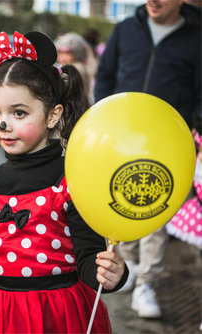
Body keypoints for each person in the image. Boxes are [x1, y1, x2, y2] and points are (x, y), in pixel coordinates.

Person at [0, 31, 128, 333]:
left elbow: (88, 257)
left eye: (19, 113)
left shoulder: (71, 180)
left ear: (53, 115)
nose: (3, 124)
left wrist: (111, 275)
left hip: (56, 315)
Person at [94, 0, 201, 319]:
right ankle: (130, 265)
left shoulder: (196, 38)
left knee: (155, 211)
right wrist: (102, 119)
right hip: (121, 136)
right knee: (120, 203)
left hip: (167, 141)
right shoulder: (125, 29)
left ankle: (146, 282)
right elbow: (105, 77)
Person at [54, 31, 97, 101]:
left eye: (67, 53)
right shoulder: (61, 66)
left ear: (76, 54)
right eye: (60, 52)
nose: (62, 57)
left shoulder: (77, 69)